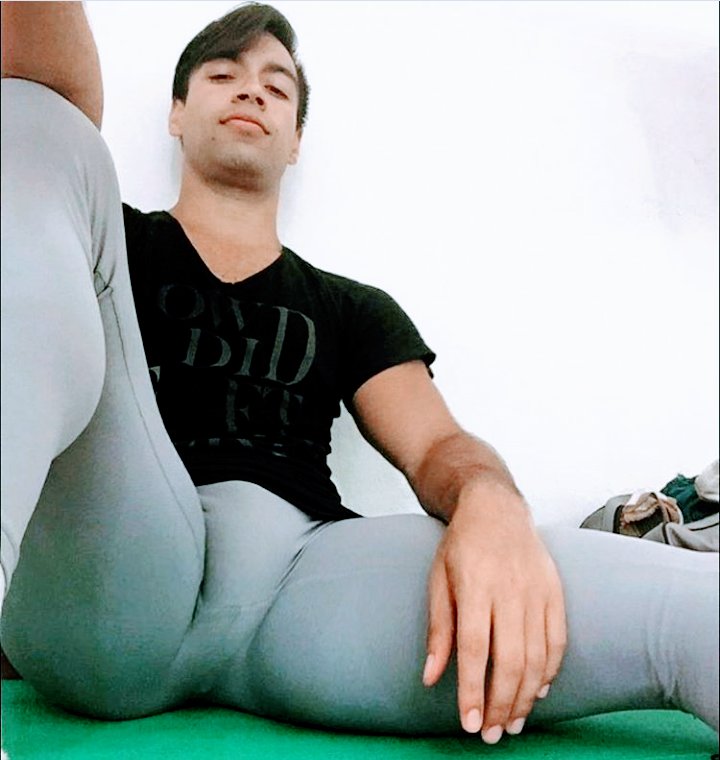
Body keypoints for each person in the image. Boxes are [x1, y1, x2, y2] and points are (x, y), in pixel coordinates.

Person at [1, 1, 717, 748]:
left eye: (277, 87)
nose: (251, 91)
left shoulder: (352, 308)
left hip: (299, 586)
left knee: (691, 613)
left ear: (295, 141)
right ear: (177, 113)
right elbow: (44, 91)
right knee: (36, 123)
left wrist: (490, 500)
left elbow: (437, 446)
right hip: (112, 561)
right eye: (223, 74)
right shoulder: (106, 240)